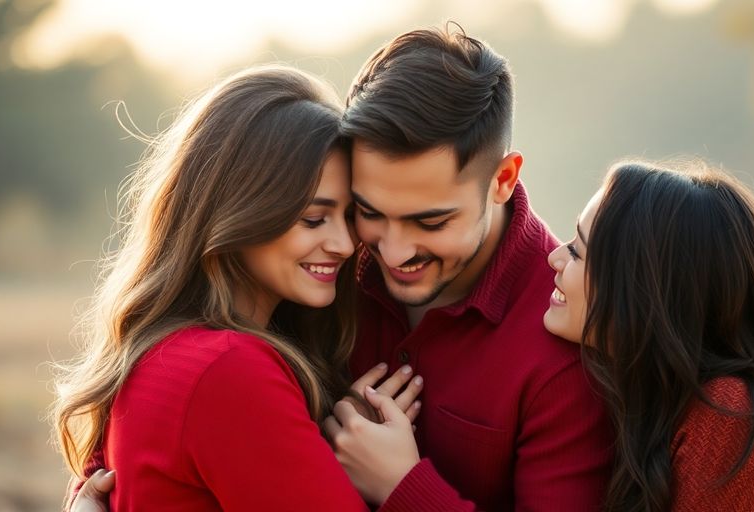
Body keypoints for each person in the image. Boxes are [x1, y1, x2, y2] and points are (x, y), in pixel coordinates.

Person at [52, 65, 424, 511]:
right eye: (313, 219)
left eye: (349, 217)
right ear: (240, 210)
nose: (345, 245)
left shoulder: (161, 351)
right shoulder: (227, 370)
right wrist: (402, 485)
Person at [322, 25, 613, 510]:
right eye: (370, 212)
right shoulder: (326, 266)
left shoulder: (567, 342)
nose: (392, 253)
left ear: (503, 179)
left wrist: (402, 488)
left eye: (430, 221)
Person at [543, 160, 754, 511]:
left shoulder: (731, 412)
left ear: (644, 290)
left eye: (577, 251)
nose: (555, 257)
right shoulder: (649, 394)